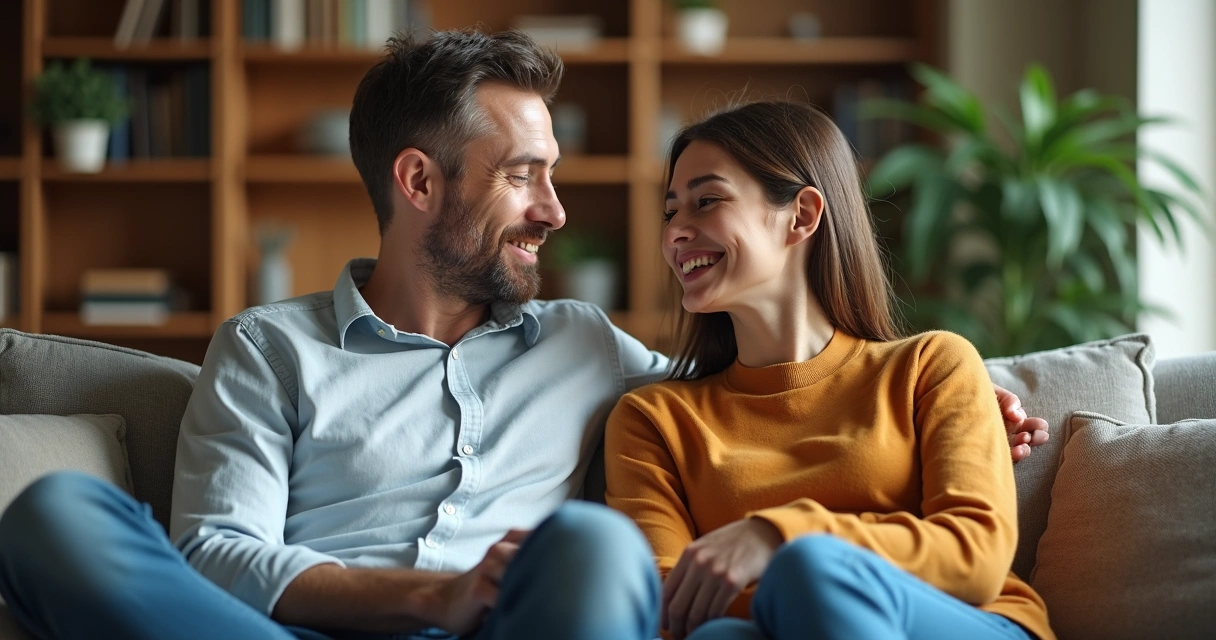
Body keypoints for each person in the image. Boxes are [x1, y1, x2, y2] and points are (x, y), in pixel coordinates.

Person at [0, 31, 1045, 640]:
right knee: (54, 515)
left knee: (593, 545)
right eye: (521, 177)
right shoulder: (272, 348)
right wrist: (434, 594)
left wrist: (973, 405)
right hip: (298, 633)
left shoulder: (587, 345)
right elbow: (215, 553)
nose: (554, 210)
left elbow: (754, 391)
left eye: (552, 175)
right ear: (418, 182)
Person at [604, 101, 1055, 640]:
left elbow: (975, 556)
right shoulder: (653, 420)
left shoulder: (931, 366)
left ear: (802, 215)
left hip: (965, 622)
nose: (675, 232)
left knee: (809, 570)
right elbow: (667, 604)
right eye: (670, 212)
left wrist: (778, 537)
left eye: (707, 201)